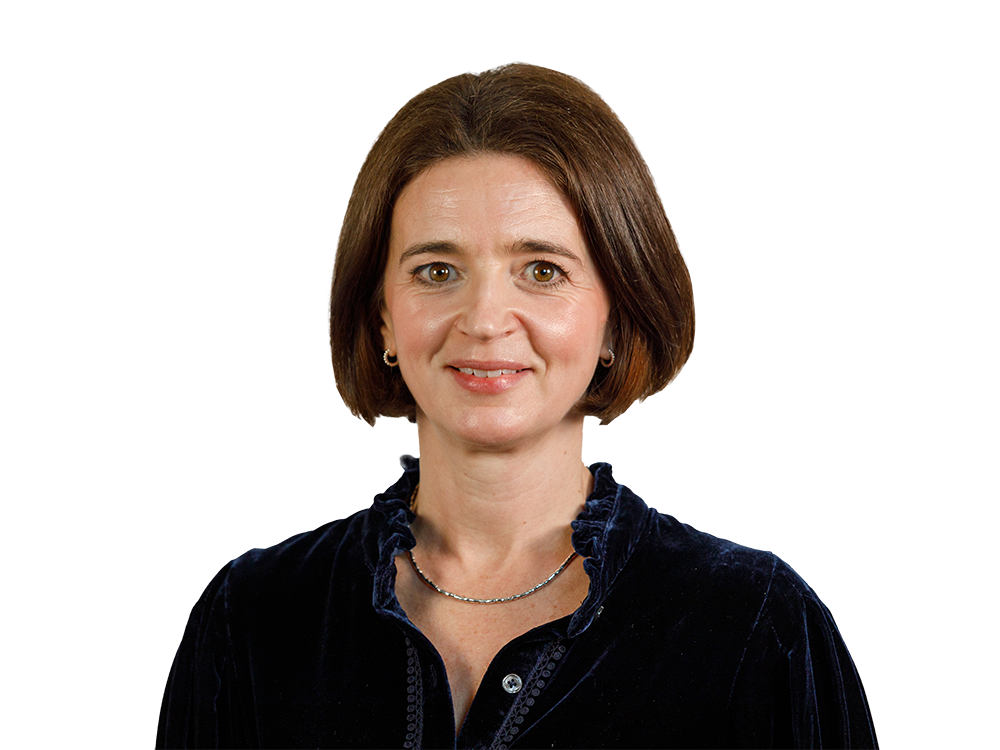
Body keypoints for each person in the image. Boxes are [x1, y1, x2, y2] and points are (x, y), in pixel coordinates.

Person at [157, 64, 878, 748]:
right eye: (437, 271)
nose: (484, 319)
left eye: (542, 270)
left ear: (616, 318)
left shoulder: (755, 626)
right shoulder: (252, 618)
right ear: (382, 321)